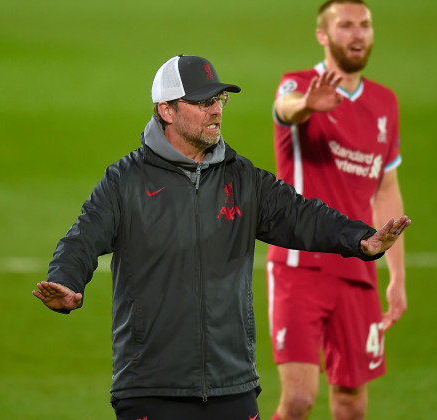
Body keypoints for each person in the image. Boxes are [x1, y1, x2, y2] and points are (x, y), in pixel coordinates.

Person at [32, 54, 411, 420]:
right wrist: (65, 283)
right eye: (202, 102)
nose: (216, 109)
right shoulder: (125, 181)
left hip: (233, 385)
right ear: (167, 110)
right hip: (151, 388)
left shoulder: (242, 177)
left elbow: (300, 215)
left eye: (219, 99)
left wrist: (361, 240)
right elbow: (82, 239)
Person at [265, 1, 407, 419]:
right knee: (298, 400)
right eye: (345, 25)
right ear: (323, 36)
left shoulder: (385, 102)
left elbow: (387, 189)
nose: (358, 33)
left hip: (359, 269)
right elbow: (285, 108)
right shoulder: (299, 84)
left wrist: (396, 275)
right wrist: (309, 105)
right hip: (300, 266)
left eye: (365, 25)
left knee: (352, 403)